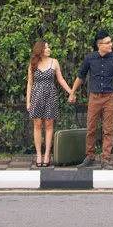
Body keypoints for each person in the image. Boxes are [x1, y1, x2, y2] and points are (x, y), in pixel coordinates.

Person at [68, 29, 113, 170]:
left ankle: (105, 159)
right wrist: (72, 92)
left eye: (111, 42)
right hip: (94, 97)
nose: (111, 44)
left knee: (108, 130)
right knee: (91, 128)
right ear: (99, 45)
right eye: (108, 42)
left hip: (110, 97)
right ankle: (90, 156)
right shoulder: (90, 58)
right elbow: (81, 75)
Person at [26, 39, 73, 167]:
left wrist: (71, 92)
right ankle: (38, 154)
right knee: (37, 125)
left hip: (50, 95)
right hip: (36, 96)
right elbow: (30, 83)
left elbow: (61, 79)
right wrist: (28, 101)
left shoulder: (54, 62)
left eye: (48, 47)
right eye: (46, 47)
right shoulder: (33, 63)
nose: (48, 49)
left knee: (49, 125)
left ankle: (47, 154)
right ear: (40, 49)